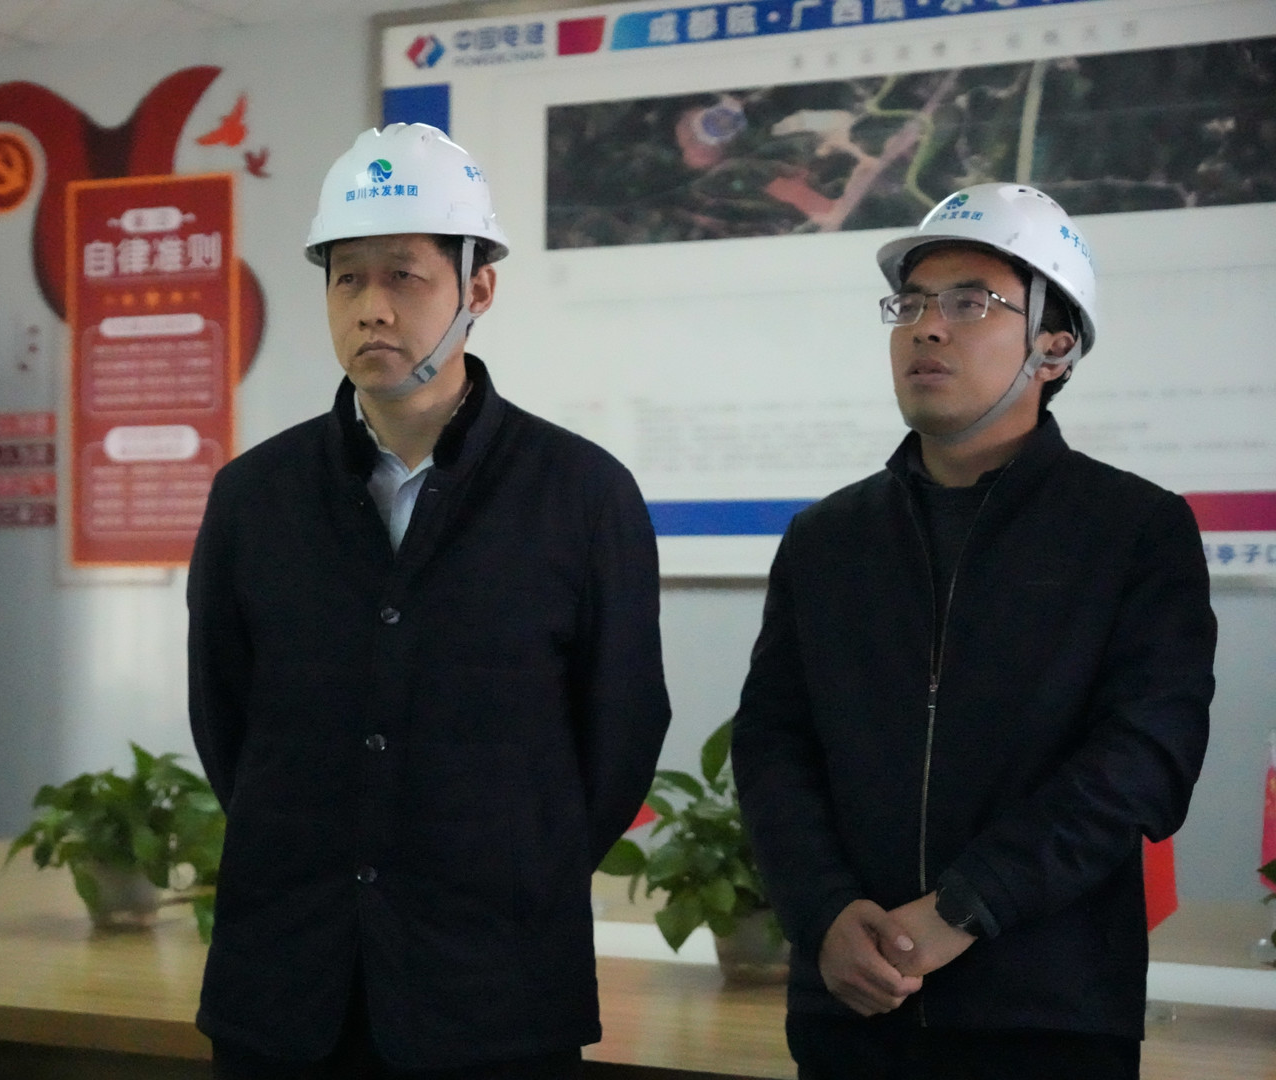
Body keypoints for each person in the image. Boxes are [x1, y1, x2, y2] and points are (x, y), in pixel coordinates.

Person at [187, 123, 672, 1077]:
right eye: (347, 280)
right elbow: (226, 720)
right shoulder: (254, 496)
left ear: (477, 288)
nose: (372, 308)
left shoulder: (581, 494)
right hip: (287, 993)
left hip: (495, 994)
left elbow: (620, 733)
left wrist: (509, 864)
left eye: (403, 277)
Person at [731, 183, 1214, 1079]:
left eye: (969, 303)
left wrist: (962, 908)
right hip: (852, 1006)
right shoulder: (827, 538)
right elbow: (771, 744)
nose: (927, 329)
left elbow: (1146, 759)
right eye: (911, 304)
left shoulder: (1133, 530)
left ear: (1054, 345)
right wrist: (823, 912)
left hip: (1046, 1013)